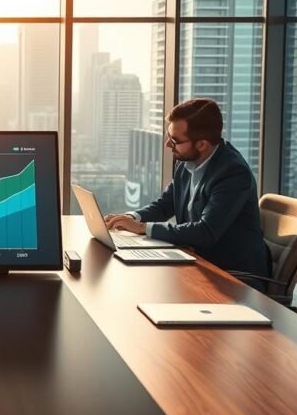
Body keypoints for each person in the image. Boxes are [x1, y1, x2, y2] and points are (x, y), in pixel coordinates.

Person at [104, 98, 271, 289]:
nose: (168, 144)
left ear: (202, 144)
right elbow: (166, 204)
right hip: (198, 262)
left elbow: (205, 232)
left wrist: (141, 227)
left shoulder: (233, 173)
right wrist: (129, 218)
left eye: (175, 140)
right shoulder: (187, 162)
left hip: (234, 277)